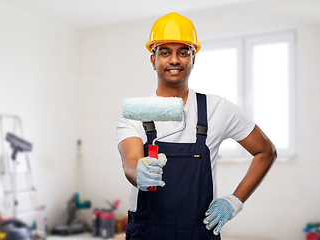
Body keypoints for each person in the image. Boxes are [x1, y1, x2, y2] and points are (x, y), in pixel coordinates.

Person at [116, 12, 277, 240]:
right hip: (147, 230)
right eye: (165, 52)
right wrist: (138, 172)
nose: (174, 60)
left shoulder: (217, 109)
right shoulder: (135, 114)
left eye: (183, 52)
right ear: (153, 60)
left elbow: (266, 151)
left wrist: (235, 201)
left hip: (199, 231)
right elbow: (130, 161)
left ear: (194, 58)